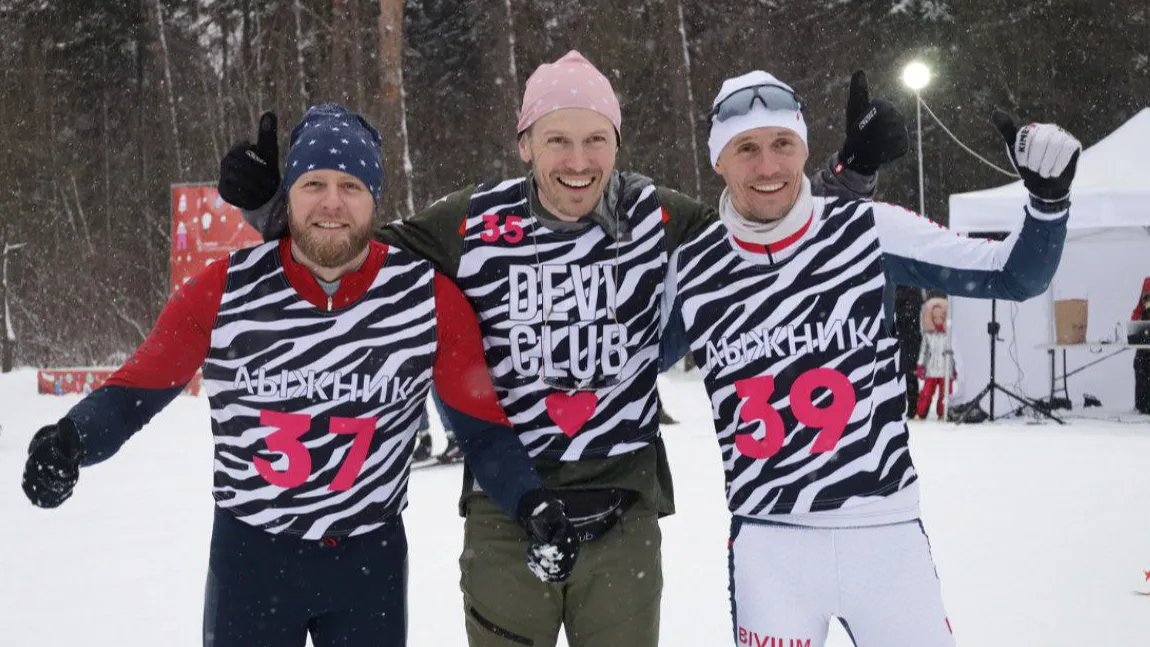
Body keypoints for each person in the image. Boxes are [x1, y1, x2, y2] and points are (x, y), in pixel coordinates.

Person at [220, 53, 906, 647]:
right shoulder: (473, 220)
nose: (578, 163)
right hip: (506, 503)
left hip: (623, 506)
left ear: (617, 142)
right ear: (525, 144)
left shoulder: (656, 215)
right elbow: (353, 256)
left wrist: (852, 177)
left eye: (595, 140)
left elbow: (771, 233)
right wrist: (275, 215)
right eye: (557, 141)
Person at [22, 105, 579, 647]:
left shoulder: (427, 299)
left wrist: (533, 504)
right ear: (286, 196)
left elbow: (482, 430)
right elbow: (133, 394)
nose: (332, 203)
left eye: (351, 186)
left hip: (368, 567)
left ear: (374, 199)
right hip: (251, 562)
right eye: (313, 183)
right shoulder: (225, 291)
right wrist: (70, 441)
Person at [663, 70, 1081, 646]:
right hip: (770, 545)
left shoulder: (868, 230)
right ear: (719, 160)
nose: (767, 167)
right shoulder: (694, 268)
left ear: (803, 149)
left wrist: (1048, 200)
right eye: (747, 149)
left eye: (782, 144)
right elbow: (620, 365)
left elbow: (1015, 274)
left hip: (885, 539)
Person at [916, 298, 954, 420]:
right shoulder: (928, 335)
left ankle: (943, 413)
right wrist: (920, 365)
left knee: (945, 393)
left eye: (941, 316)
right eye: (935, 316)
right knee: (926, 393)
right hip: (931, 368)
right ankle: (921, 413)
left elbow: (953, 353)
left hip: (946, 368)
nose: (938, 319)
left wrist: (956, 368)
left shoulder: (950, 335)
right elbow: (923, 351)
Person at [1131, 278, 1150, 414]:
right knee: (1139, 364)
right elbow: (1134, 320)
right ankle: (1142, 405)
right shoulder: (1140, 308)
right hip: (1143, 349)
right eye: (1146, 295)